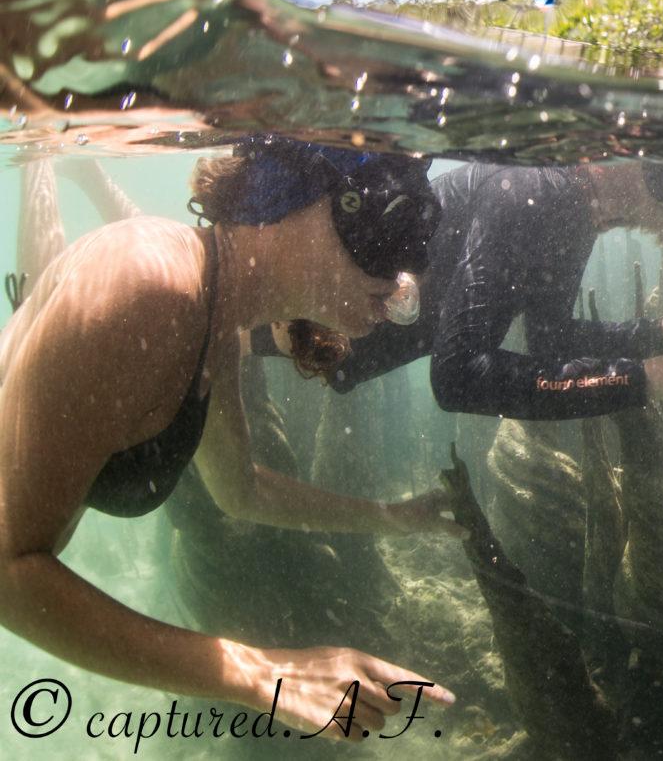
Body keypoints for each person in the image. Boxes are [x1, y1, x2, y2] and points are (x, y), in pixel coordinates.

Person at [0, 135, 460, 736]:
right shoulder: (150, 289)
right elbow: (8, 567)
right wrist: (262, 675)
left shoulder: (217, 318)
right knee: (40, 285)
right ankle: (43, 159)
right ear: (296, 202)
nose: (405, 272)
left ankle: (38, 261)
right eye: (384, 216)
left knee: (37, 291)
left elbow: (240, 491)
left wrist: (396, 517)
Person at [290, 159, 663, 418]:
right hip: (288, 324)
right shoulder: (532, 190)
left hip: (319, 350)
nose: (610, 224)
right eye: (622, 217)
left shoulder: (573, 210)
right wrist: (649, 377)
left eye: (620, 222)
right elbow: (457, 378)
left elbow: (553, 338)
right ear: (617, 158)